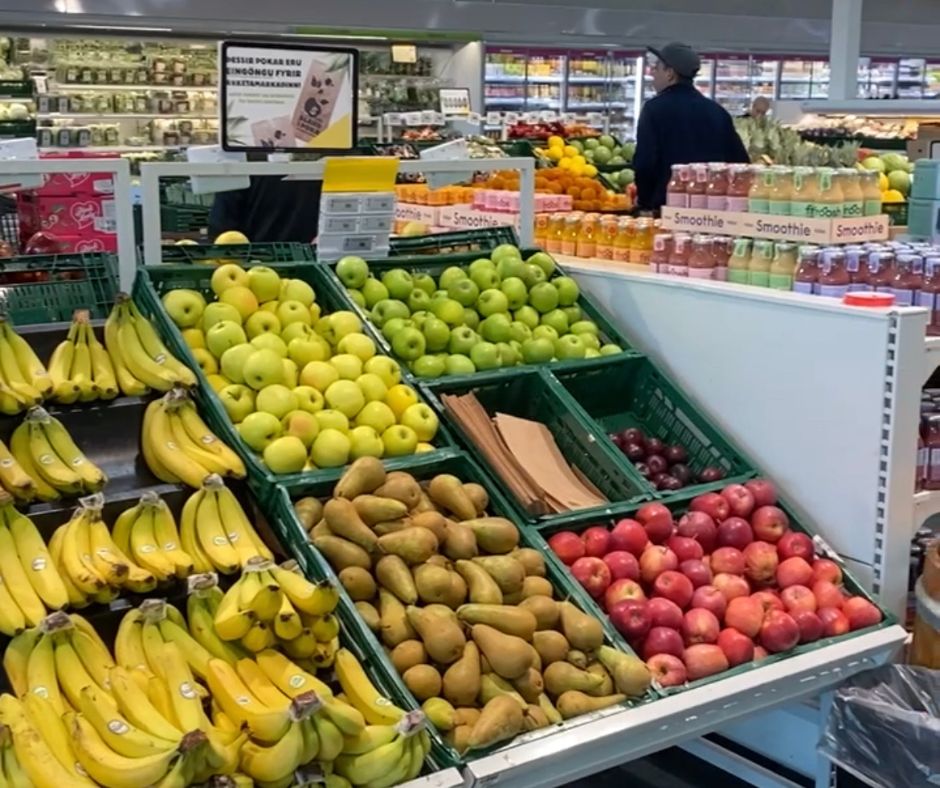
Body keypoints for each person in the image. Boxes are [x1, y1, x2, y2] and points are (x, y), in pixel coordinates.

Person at [634, 42, 750, 212]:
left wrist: (645, 202)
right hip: (712, 211)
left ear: (670, 73)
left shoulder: (654, 109)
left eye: (656, 67)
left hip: (668, 208)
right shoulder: (717, 111)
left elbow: (645, 164)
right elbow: (740, 163)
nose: (652, 72)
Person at [208, 154, 322, 243]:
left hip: (252, 262)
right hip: (314, 263)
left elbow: (221, 228)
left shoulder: (242, 157)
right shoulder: (329, 155)